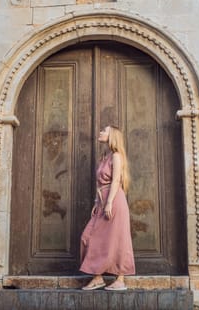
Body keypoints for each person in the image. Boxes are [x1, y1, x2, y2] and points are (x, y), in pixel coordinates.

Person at [80, 125, 135, 291]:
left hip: (114, 200)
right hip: (103, 201)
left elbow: (116, 181)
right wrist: (98, 203)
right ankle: (98, 278)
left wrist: (109, 202)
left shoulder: (117, 156)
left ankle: (120, 279)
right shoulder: (106, 156)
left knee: (119, 238)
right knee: (87, 236)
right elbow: (100, 184)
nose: (101, 132)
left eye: (104, 130)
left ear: (112, 136)